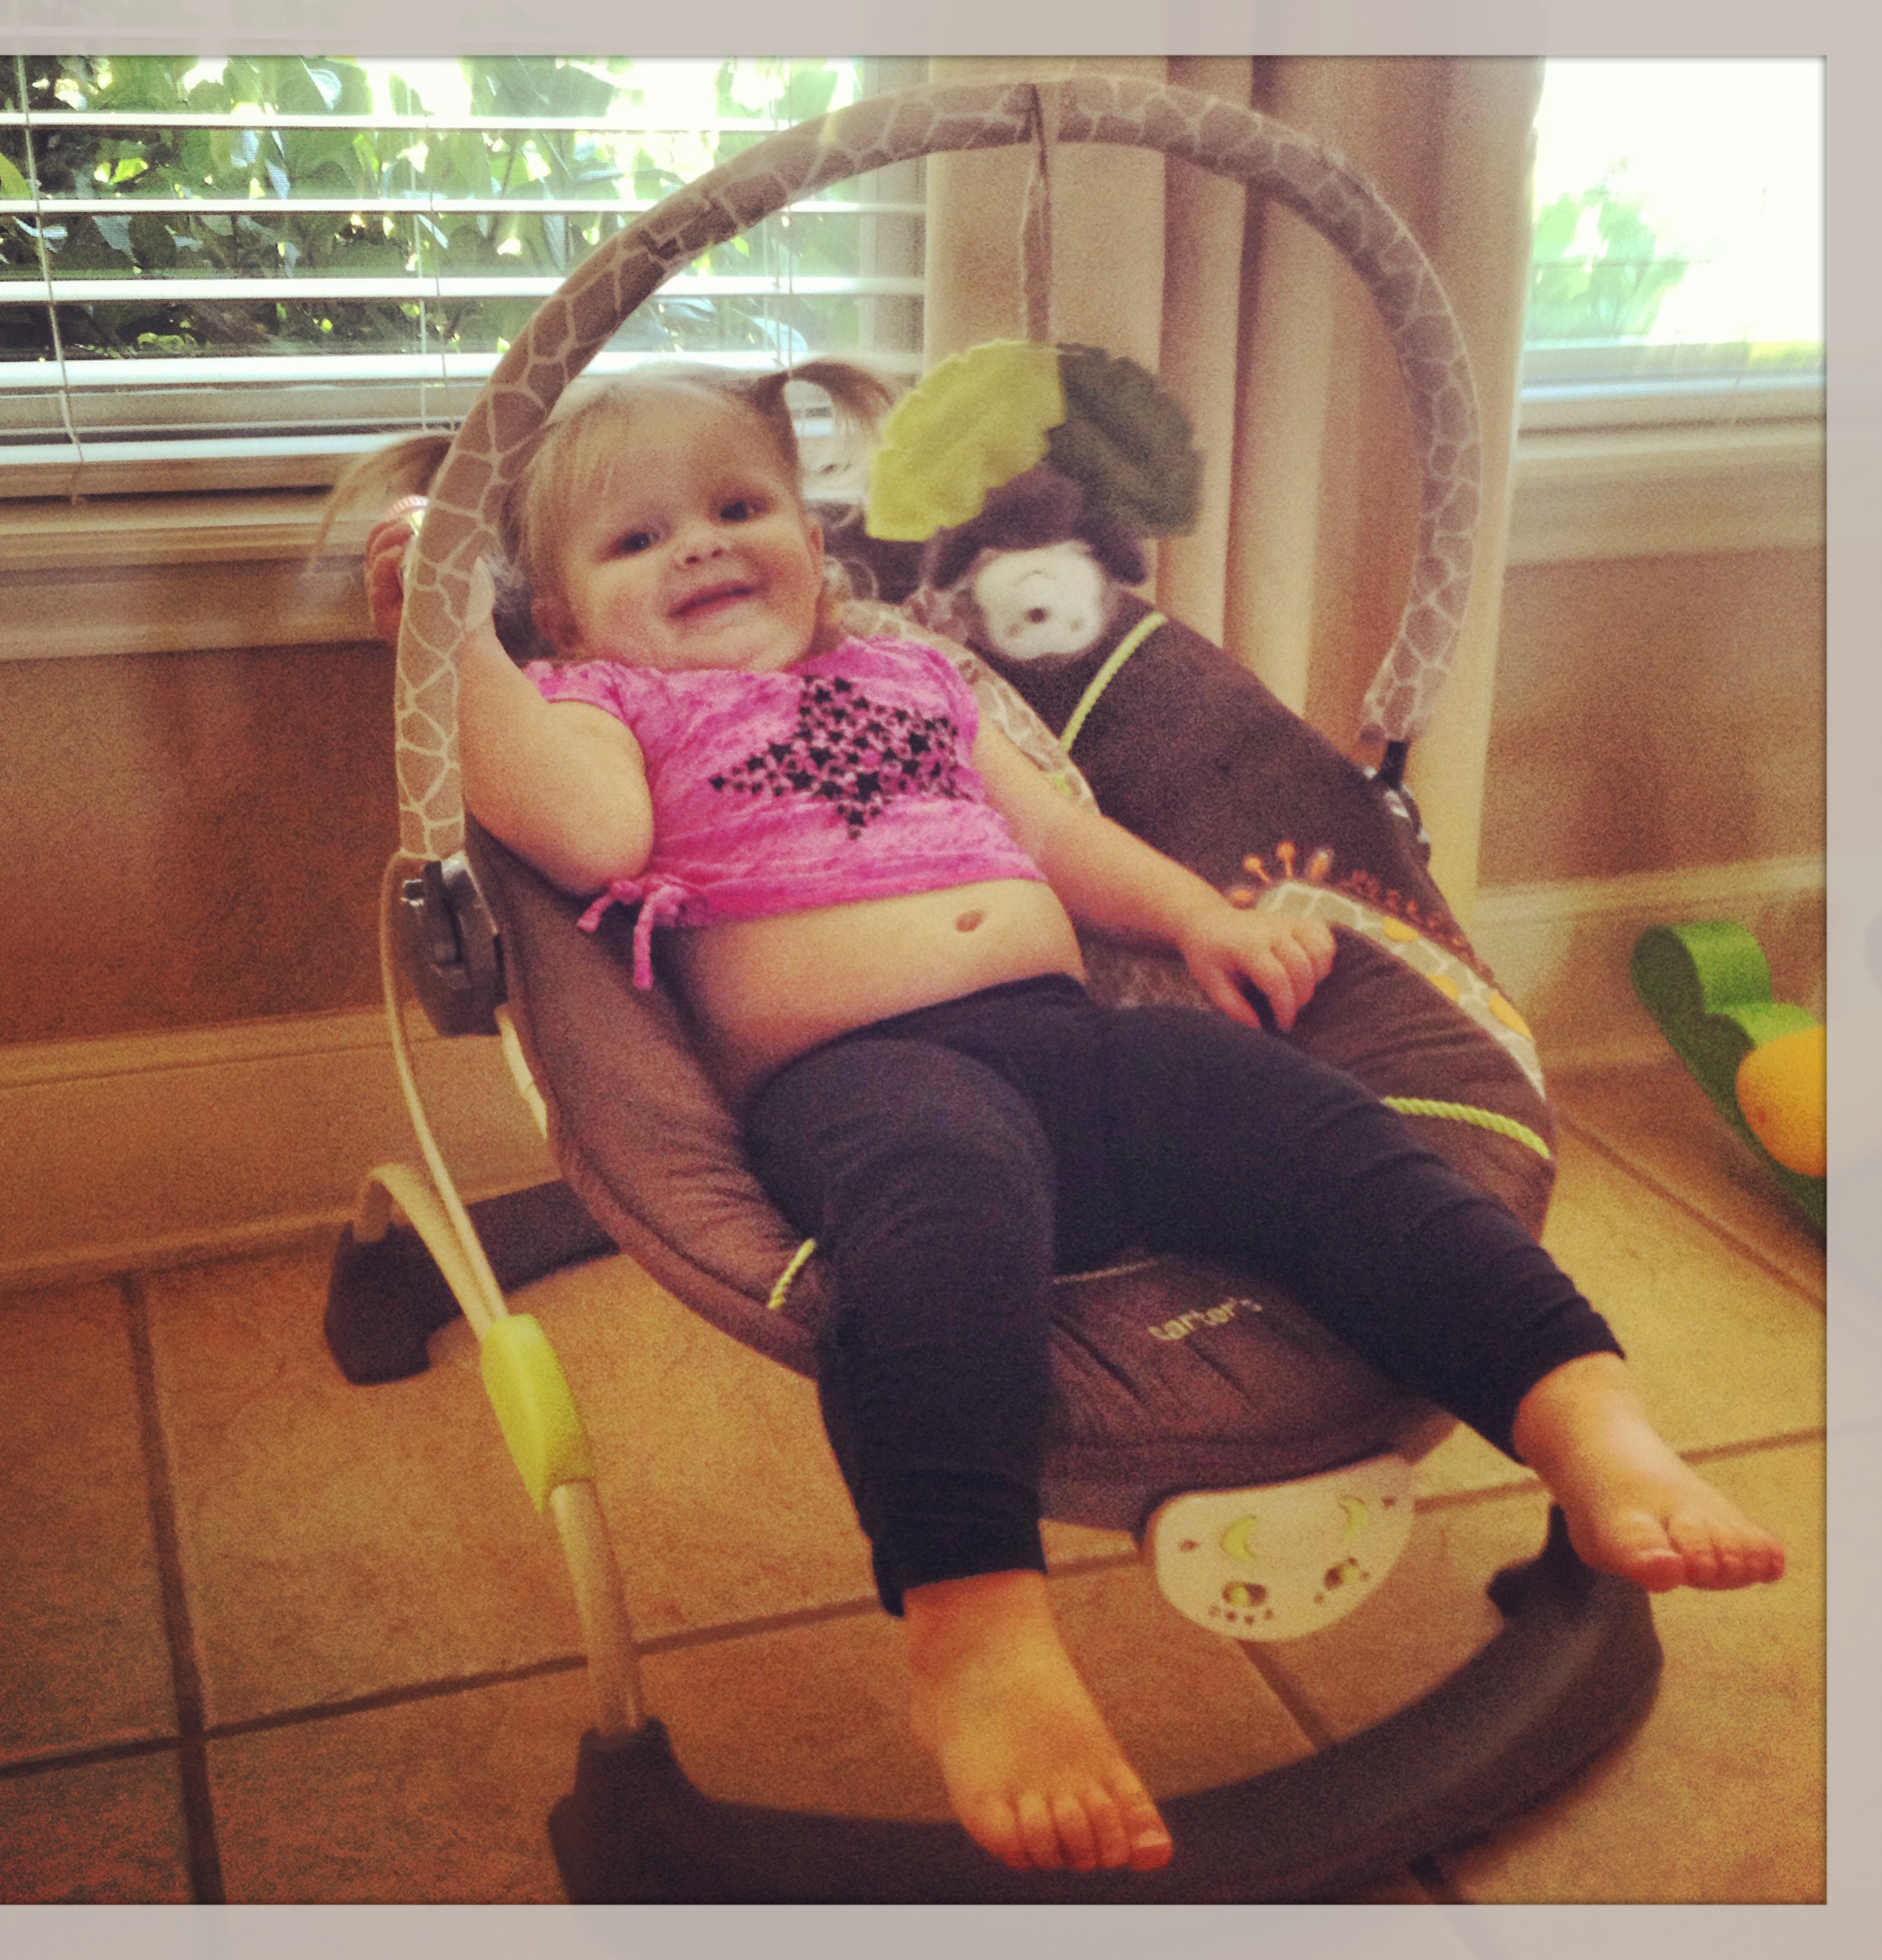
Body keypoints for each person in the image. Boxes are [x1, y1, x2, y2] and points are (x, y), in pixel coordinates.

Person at [358, 358, 1786, 1880]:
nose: (700, 545)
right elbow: (586, 836)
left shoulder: (911, 678)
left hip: (1073, 1040)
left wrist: (1197, 920)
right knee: (937, 1243)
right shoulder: (605, 705)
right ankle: (975, 1624)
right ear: (565, 615)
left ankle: (1585, 1419)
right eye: (637, 540)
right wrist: (452, 637)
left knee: (1325, 1138)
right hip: (862, 1087)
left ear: (815, 544)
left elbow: (1057, 834)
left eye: (736, 507)